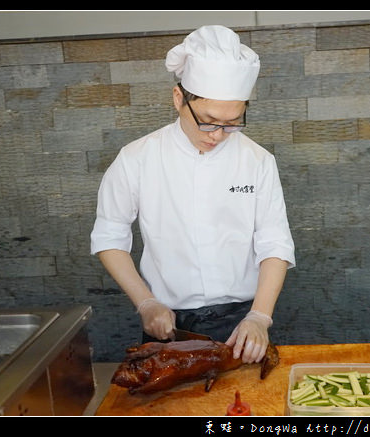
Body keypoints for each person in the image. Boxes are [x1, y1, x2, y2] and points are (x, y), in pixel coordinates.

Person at [90, 25, 295, 364]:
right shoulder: (137, 158)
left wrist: (260, 317)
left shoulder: (257, 160)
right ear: (178, 99)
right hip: (167, 323)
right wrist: (146, 303)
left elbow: (274, 242)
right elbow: (110, 236)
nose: (218, 135)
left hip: (241, 322)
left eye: (232, 123)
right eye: (209, 121)